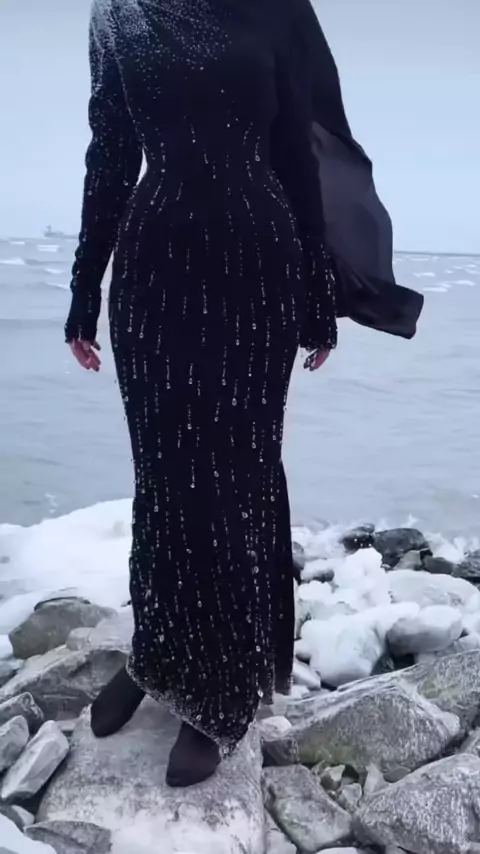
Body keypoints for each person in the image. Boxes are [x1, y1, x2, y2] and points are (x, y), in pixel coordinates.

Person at [66, 0, 422, 788]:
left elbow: (296, 150)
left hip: (254, 260)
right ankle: (158, 651)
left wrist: (318, 291)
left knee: (233, 475)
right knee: (163, 476)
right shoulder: (118, 12)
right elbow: (110, 150)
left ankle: (223, 689)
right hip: (155, 262)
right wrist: (84, 285)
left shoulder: (274, 8)